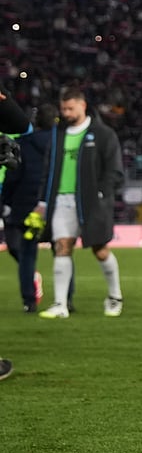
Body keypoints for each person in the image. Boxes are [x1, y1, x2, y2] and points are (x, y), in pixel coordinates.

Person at [36, 87, 125, 320]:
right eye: (63, 109)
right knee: (61, 247)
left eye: (70, 108)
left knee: (100, 250)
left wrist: (102, 194)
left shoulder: (103, 134)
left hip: (91, 202)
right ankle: (60, 304)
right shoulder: (58, 135)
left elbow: (114, 170)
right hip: (61, 200)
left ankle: (115, 296)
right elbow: (48, 170)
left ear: (82, 105)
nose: (66, 113)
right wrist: (43, 201)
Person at [3, 105, 55, 313]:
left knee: (26, 254)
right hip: (53, 205)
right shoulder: (59, 143)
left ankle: (29, 301)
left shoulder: (24, 144)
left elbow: (13, 176)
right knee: (61, 253)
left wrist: (6, 201)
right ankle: (66, 299)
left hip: (25, 206)